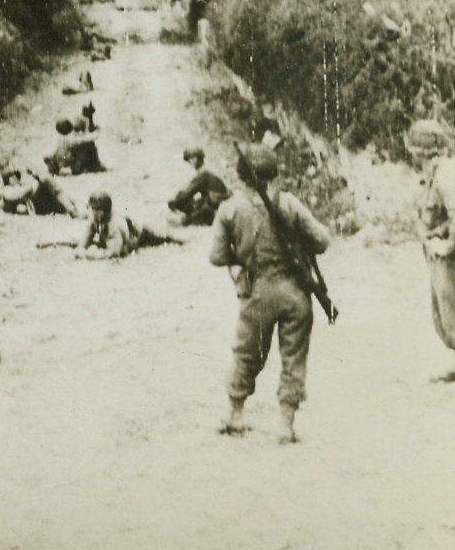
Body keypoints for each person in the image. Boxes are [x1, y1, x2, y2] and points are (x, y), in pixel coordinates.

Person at [209, 144, 330, 444]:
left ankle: (235, 415)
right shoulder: (288, 203)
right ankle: (285, 425)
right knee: (293, 360)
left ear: (241, 176)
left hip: (257, 296)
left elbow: (216, 255)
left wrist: (241, 261)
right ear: (273, 174)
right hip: (295, 295)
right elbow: (322, 240)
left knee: (246, 355)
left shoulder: (230, 209)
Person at [418, 149, 455, 382]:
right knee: (443, 314)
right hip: (438, 252)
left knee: (450, 311)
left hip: (448, 257)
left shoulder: (445, 175)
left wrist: (447, 246)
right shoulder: (435, 175)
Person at [79, 191, 179, 258]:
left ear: (100, 212)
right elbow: (84, 241)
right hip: (128, 228)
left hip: (139, 234)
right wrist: (80, 250)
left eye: (93, 209)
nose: (90, 211)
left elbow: (114, 253)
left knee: (165, 238)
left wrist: (89, 255)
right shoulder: (94, 219)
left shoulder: (114, 225)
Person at [168, 147, 230, 227]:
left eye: (194, 158)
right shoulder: (206, 171)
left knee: (183, 204)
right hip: (218, 205)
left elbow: (186, 193)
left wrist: (173, 203)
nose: (191, 161)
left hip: (216, 208)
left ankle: (185, 222)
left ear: (200, 158)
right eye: (189, 159)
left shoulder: (204, 173)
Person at [0, 164, 78, 218]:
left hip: (39, 202)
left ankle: (73, 208)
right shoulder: (7, 190)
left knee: (60, 197)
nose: (15, 178)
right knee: (46, 180)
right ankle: (71, 209)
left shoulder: (19, 185)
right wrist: (31, 184)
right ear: (8, 180)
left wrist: (34, 177)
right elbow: (18, 195)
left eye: (16, 175)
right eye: (12, 176)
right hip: (36, 205)